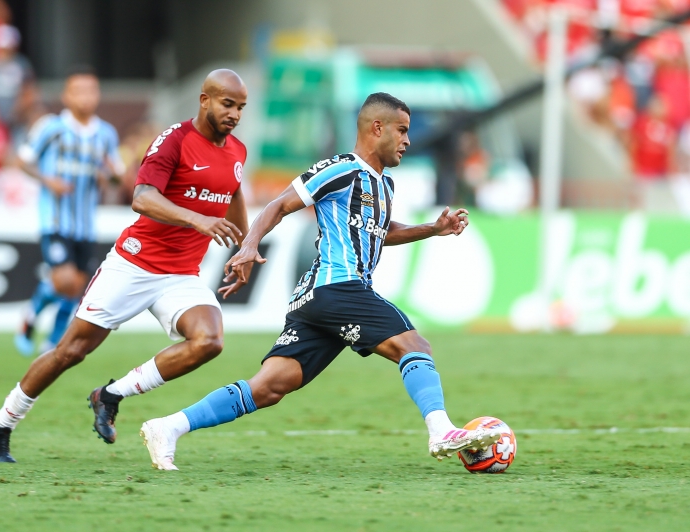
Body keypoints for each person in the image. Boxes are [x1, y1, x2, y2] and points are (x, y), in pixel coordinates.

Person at [138, 92, 501, 471]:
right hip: (337, 287)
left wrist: (432, 229)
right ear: (377, 128)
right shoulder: (341, 168)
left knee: (269, 386)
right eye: (403, 130)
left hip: (316, 301)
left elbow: (381, 232)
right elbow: (278, 204)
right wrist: (247, 247)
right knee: (414, 345)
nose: (409, 141)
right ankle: (441, 430)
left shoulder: (384, 185)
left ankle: (168, 427)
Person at [0, 68, 251, 463]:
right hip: (134, 264)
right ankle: (1, 423)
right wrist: (197, 219)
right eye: (228, 104)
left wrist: (245, 247)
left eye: (241, 107)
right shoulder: (174, 140)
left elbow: (234, 193)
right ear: (204, 99)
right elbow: (141, 197)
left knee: (209, 341)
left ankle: (110, 395)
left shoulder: (237, 151)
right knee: (70, 351)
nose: (235, 114)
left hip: (180, 275)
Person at [12, 64, 122, 357]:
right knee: (64, 280)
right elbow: (23, 160)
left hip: (86, 223)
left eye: (91, 90)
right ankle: (32, 316)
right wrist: (48, 180)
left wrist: (109, 176)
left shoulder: (106, 135)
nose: (85, 97)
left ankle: (53, 340)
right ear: (66, 95)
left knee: (76, 287)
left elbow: (116, 176)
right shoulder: (51, 128)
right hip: (56, 219)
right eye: (79, 91)